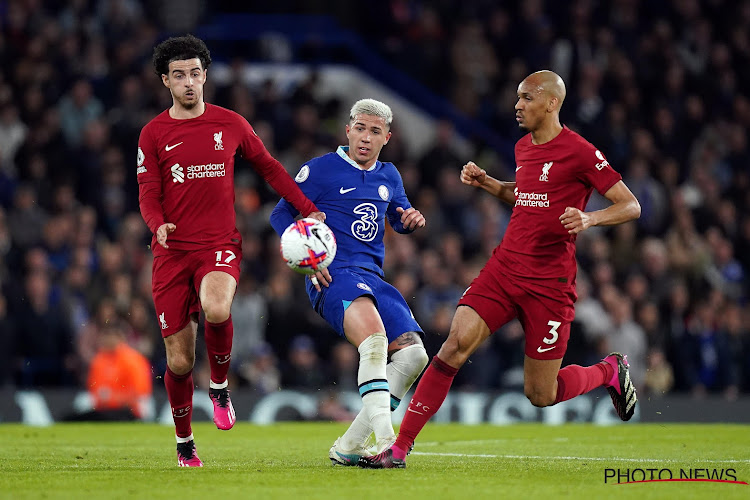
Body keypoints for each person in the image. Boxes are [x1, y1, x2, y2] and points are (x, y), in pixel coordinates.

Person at [360, 70, 642, 469]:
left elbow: (631, 205)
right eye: (517, 97)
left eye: (527, 98)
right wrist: (490, 184)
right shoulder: (523, 147)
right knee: (454, 345)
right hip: (505, 268)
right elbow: (526, 194)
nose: (517, 105)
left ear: (551, 103)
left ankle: (608, 370)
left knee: (541, 394)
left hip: (550, 283)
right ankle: (399, 448)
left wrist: (590, 219)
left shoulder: (580, 151)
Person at [137, 34, 324, 467]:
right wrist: (156, 225)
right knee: (180, 362)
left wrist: (308, 209)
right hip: (171, 253)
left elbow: (271, 168)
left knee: (217, 307)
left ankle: (219, 386)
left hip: (218, 244)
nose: (189, 83)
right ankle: (185, 442)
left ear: (205, 76)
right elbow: (148, 193)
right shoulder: (153, 133)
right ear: (166, 80)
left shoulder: (231, 124)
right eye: (179, 75)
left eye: (195, 74)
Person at [270, 98, 429, 466]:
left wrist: (411, 219)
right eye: (360, 128)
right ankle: (388, 441)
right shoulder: (319, 170)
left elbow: (399, 217)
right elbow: (280, 213)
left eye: (374, 132)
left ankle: (348, 446)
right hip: (332, 275)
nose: (365, 137)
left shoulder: (389, 175)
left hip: (374, 277)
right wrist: (306, 256)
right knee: (374, 343)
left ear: (386, 138)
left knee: (414, 356)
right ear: (348, 130)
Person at [85, 319, 153, 421]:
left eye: (110, 335)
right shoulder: (99, 360)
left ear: (120, 337)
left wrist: (111, 398)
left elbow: (140, 393)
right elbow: (94, 390)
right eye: (105, 335)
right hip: (104, 409)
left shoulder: (133, 359)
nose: (106, 339)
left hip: (129, 410)